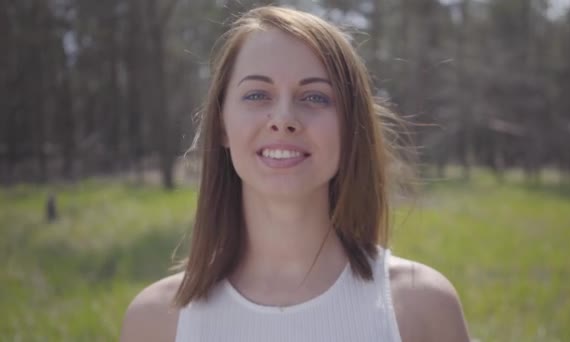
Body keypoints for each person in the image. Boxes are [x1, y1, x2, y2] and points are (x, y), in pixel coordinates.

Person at [120, 5, 470, 342]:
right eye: (257, 94)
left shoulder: (423, 308)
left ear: (351, 127)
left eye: (315, 97)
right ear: (221, 125)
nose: (284, 118)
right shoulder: (154, 322)